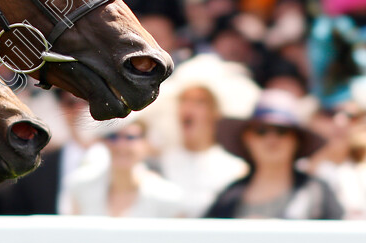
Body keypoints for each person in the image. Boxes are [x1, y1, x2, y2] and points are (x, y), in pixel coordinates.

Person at [143, 54, 258, 217]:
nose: (189, 108)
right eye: (184, 100)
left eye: (199, 102)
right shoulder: (156, 162)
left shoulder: (235, 169)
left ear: (215, 112)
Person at [205, 89, 344, 219]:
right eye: (261, 131)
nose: (271, 139)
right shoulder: (229, 197)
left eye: (281, 131)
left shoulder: (317, 192)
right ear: (247, 139)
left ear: (296, 140)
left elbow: (341, 239)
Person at [67, 120, 183, 218]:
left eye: (130, 137)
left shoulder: (168, 197)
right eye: (113, 137)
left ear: (146, 143)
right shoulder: (81, 187)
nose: (121, 145)